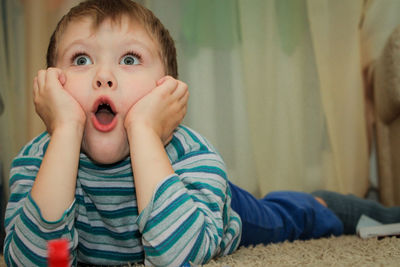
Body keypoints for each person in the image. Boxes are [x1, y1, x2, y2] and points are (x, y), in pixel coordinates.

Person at [3, 0, 400, 266]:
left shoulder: (189, 151)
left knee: (294, 216)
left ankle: (336, 205)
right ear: (51, 85)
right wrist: (66, 130)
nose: (103, 76)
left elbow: (180, 256)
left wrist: (143, 129)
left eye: (128, 59)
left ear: (166, 90)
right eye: (81, 59)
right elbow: (31, 260)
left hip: (220, 210)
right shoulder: (39, 161)